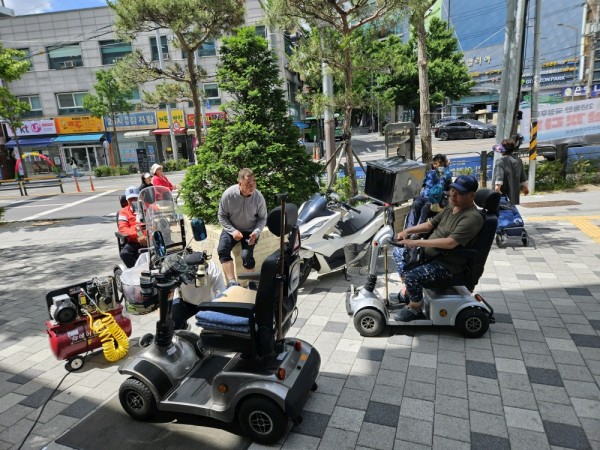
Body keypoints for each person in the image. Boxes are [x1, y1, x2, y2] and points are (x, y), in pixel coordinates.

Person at [393, 175, 484, 321]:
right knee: (398, 251)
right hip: (432, 256)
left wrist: (416, 243)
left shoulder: (472, 218)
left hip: (447, 265)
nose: (453, 195)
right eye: (453, 190)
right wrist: (407, 231)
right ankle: (408, 291)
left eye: (459, 193)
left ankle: (415, 308)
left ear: (471, 195)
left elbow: (450, 243)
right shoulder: (451, 208)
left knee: (412, 275)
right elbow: (430, 225)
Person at [218, 168, 267, 288]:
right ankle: (232, 282)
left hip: (250, 231)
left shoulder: (258, 197)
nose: (252, 186)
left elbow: (262, 218)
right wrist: (233, 231)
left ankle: (251, 282)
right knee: (222, 250)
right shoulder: (228, 195)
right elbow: (221, 215)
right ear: (239, 183)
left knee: (246, 255)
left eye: (253, 182)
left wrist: (256, 232)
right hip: (232, 229)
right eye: (248, 183)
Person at [172, 260, 227, 330]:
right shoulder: (178, 268)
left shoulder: (212, 268)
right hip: (185, 302)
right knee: (172, 324)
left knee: (211, 331)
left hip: (208, 303)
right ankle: (183, 326)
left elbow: (221, 295)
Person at [405, 153, 453, 229]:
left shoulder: (446, 173)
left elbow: (443, 179)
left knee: (425, 208)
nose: (435, 166)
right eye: (434, 164)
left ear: (443, 163)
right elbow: (422, 182)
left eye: (437, 164)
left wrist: (445, 167)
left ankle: (418, 230)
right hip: (424, 196)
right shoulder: (430, 172)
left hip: (434, 199)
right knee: (415, 204)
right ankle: (409, 228)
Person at [492, 139, 529, 205]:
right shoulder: (518, 160)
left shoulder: (500, 160)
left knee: (502, 211)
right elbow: (522, 175)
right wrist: (525, 187)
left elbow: (499, 175)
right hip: (514, 192)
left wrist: (497, 187)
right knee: (511, 210)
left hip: (502, 192)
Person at [117, 186, 147, 268]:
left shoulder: (148, 207)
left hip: (151, 238)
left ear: (140, 197)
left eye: (135, 198)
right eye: (130, 199)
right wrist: (138, 235)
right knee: (124, 253)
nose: (133, 200)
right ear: (127, 200)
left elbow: (158, 219)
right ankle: (137, 272)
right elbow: (123, 228)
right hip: (135, 241)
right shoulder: (123, 212)